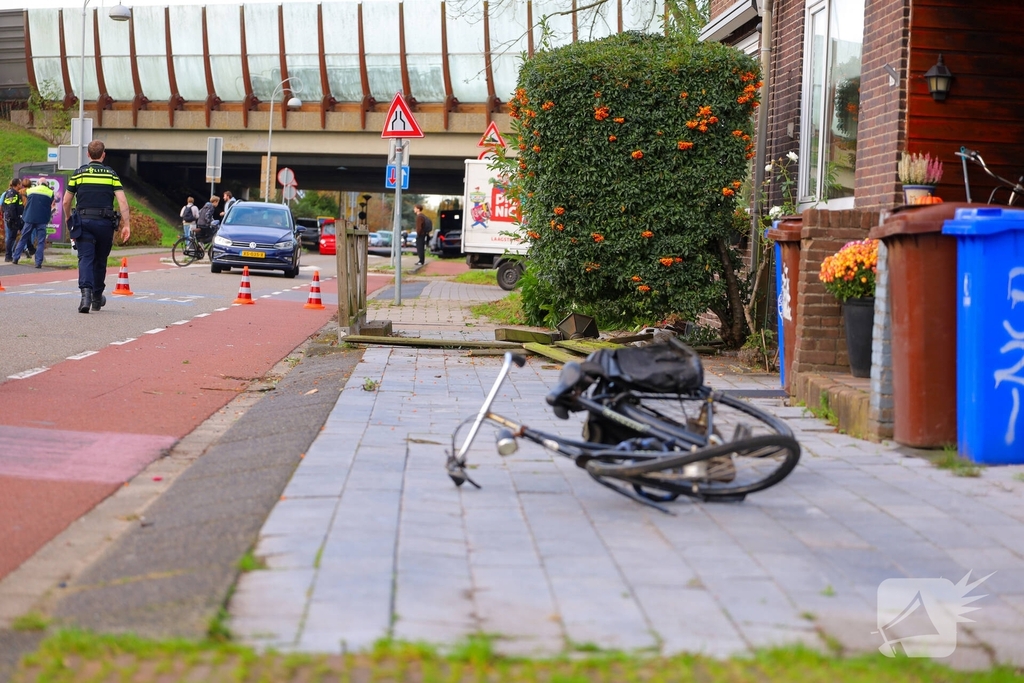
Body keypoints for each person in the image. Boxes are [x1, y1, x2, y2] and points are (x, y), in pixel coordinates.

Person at [62, 140, 131, 314]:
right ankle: (97, 297)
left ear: (88, 154)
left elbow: (66, 200)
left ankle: (85, 296)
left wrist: (68, 218)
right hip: (104, 224)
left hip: (83, 222)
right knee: (100, 261)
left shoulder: (79, 174)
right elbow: (122, 201)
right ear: (103, 154)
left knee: (85, 258)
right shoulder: (111, 174)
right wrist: (126, 224)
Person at [11, 178, 56, 269]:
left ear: (38, 183)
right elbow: (50, 203)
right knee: (40, 241)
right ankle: (38, 262)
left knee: (23, 238)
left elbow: (26, 199)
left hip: (29, 218)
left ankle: (15, 258)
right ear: (46, 184)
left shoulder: (31, 190)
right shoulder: (50, 192)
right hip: (42, 219)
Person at [3, 178, 24, 262]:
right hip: (12, 219)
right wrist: (15, 219)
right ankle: (8, 256)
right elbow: (11, 208)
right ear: (17, 185)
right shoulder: (12, 194)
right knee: (11, 238)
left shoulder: (12, 193)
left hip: (13, 218)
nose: (21, 185)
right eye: (20, 183)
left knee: (12, 237)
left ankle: (29, 248)